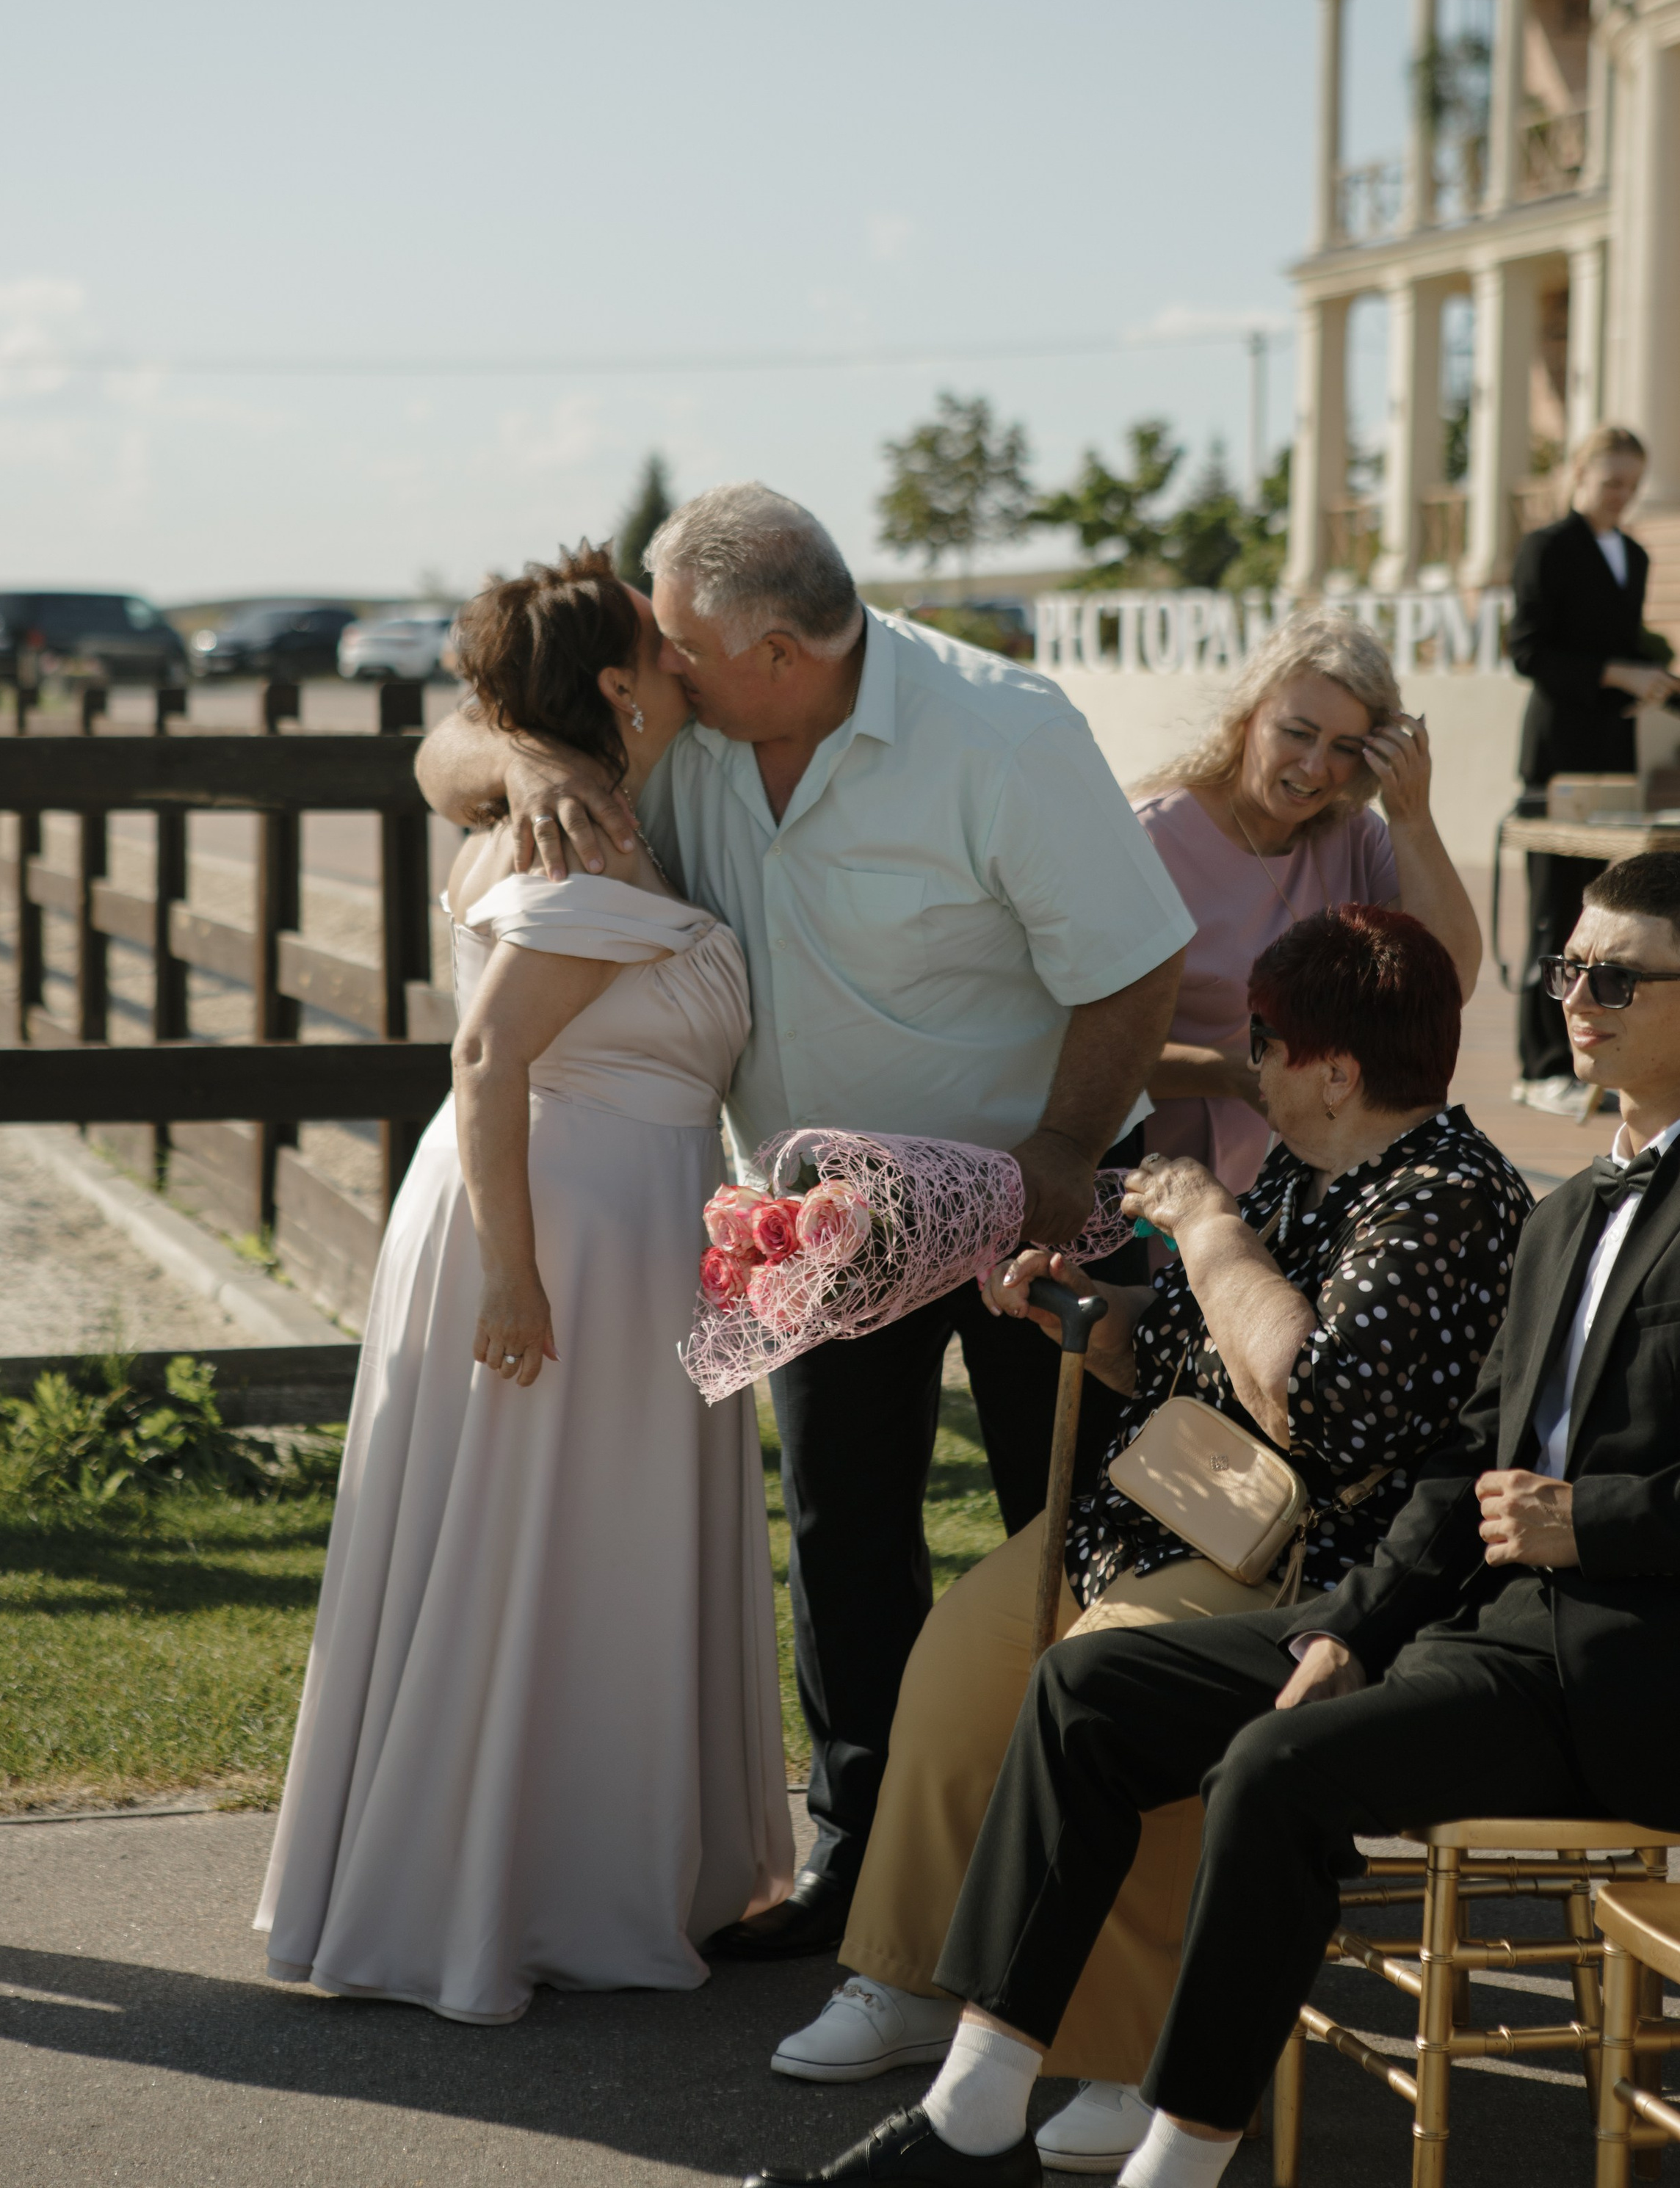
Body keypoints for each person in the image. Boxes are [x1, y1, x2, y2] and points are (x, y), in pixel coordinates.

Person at [748, 847, 1680, 2188]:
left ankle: (1163, 2140)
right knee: (1087, 1690)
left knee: (1272, 1769)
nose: (1577, 996)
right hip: (1473, 1625)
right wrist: (1353, 1632)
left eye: (1618, 974)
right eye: (1568, 966)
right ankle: (968, 2111)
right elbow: (1463, 1467)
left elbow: (1349, 1424)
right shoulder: (1572, 1209)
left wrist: (1593, 1518)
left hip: (1625, 1667)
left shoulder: (1463, 1195)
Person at [415, 483, 1196, 1955]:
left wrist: (1057, 1158)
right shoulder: (685, 734)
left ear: (778, 652)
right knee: (844, 1540)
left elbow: (1134, 965)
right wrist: (514, 747)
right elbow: (437, 744)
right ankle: (866, 1861)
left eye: (679, 636)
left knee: (1074, 1531)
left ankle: (1097, 1876)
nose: (652, 652)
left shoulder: (1003, 734)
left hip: (1038, 1200)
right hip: (823, 1225)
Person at [255, 546, 792, 2022]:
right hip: (558, 1230)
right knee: (539, 1545)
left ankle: (551, 1866)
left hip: (595, 1214)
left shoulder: (556, 804)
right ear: (620, 685)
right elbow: (487, 1058)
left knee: (567, 1551)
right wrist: (515, 1280)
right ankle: (504, 1890)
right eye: (661, 644)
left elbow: (452, 750)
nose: (689, 656)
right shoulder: (586, 847)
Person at [1129, 607, 1480, 1198]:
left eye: (1345, 746)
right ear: (1247, 716)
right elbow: (1080, 1047)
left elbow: (1450, 981)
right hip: (1166, 1181)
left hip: (1317, 1179)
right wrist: (1233, 1074)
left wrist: (1411, 816)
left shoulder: (1358, 834)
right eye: (1297, 733)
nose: (1316, 767)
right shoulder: (1150, 841)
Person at [1510, 422, 1680, 1118]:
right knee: (1555, 914)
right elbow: (1527, 651)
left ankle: (1593, 1066)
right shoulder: (1545, 548)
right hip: (1557, 758)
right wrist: (1617, 671)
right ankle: (1539, 1065)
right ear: (1577, 476)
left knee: (1604, 913)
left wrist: (1651, 677)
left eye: (1632, 485)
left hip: (1612, 754)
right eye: (1610, 481)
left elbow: (1624, 641)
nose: (1621, 496)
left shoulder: (1634, 556)